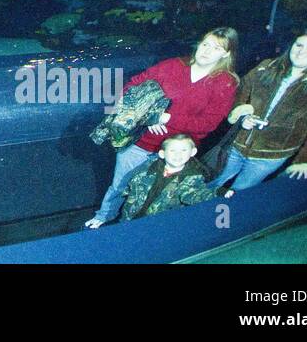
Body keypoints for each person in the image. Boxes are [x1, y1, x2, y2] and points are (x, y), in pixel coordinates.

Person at [86, 27, 238, 228]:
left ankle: (145, 227)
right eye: (205, 44)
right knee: (120, 185)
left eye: (216, 48)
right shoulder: (172, 65)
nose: (207, 51)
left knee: (162, 195)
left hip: (178, 152)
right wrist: (149, 115)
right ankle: (103, 216)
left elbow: (208, 124)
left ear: (226, 54)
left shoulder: (225, 83)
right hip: (142, 142)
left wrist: (166, 117)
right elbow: (132, 87)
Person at [211, 27, 307, 192]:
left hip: (271, 155)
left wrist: (305, 159)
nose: (302, 51)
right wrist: (241, 115)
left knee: (239, 192)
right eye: (299, 45)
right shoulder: (268, 66)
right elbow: (240, 91)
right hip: (237, 143)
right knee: (213, 181)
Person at [117, 134, 217, 222]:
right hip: (129, 217)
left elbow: (194, 194)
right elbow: (132, 184)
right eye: (172, 150)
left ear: (193, 152)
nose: (178, 154)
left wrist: (217, 193)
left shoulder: (192, 177)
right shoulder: (148, 167)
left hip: (157, 224)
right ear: (162, 154)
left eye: (184, 150)